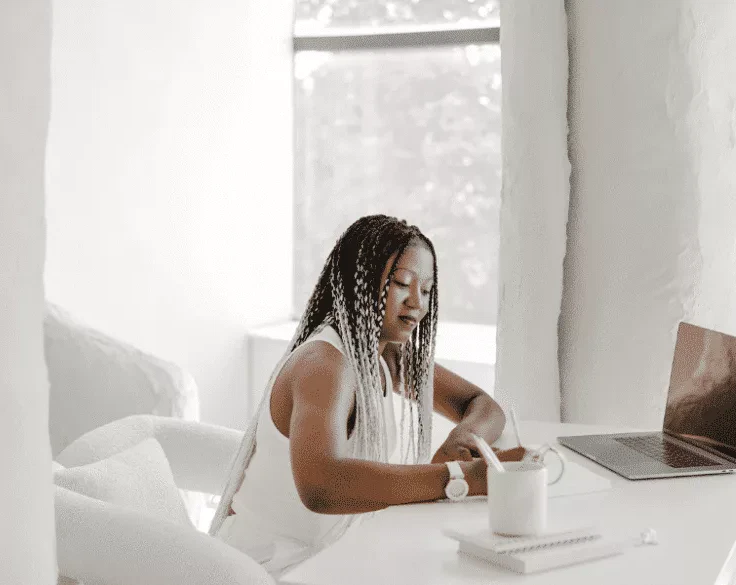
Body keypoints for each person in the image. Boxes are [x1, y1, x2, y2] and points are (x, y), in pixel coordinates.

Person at [209, 214, 524, 577]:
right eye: (402, 284)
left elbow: (482, 407)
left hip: (329, 558)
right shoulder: (325, 364)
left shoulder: (384, 354)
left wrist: (463, 438)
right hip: (267, 568)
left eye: (426, 290)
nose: (417, 304)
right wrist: (461, 477)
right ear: (357, 282)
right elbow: (321, 486)